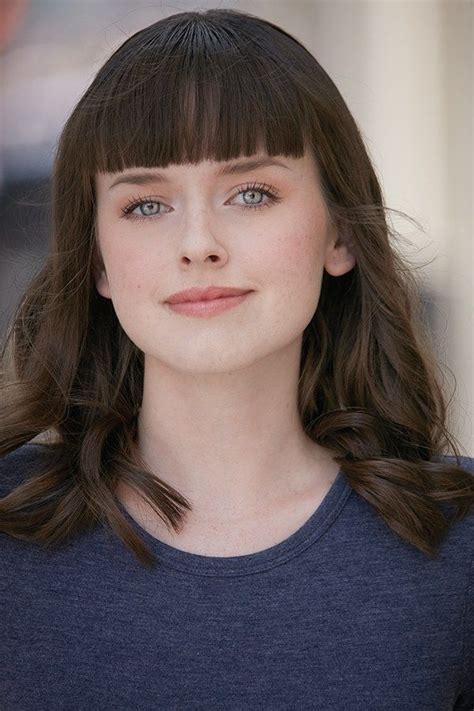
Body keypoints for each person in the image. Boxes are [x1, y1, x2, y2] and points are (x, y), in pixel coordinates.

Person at [0, 8, 473, 709]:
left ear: (339, 233)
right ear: (97, 259)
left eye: (251, 193)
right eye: (146, 204)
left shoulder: (459, 548)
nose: (198, 243)